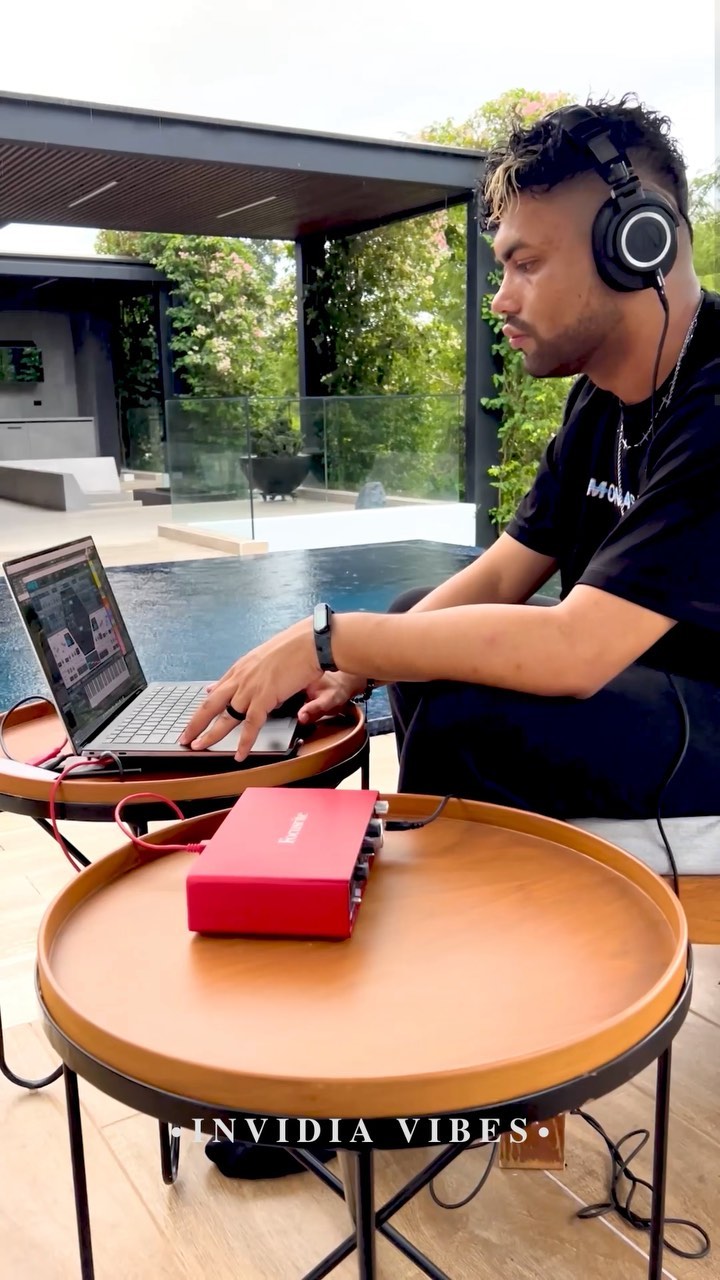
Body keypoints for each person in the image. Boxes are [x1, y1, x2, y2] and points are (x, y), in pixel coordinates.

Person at [184, 94, 720, 1180]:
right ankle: (437, 1020)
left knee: (463, 703)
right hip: (653, 693)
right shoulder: (605, 396)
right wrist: (358, 662)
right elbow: (505, 572)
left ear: (638, 242)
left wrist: (333, 638)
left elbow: (573, 649)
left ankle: (449, 1062)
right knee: (421, 635)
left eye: (525, 263)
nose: (500, 297)